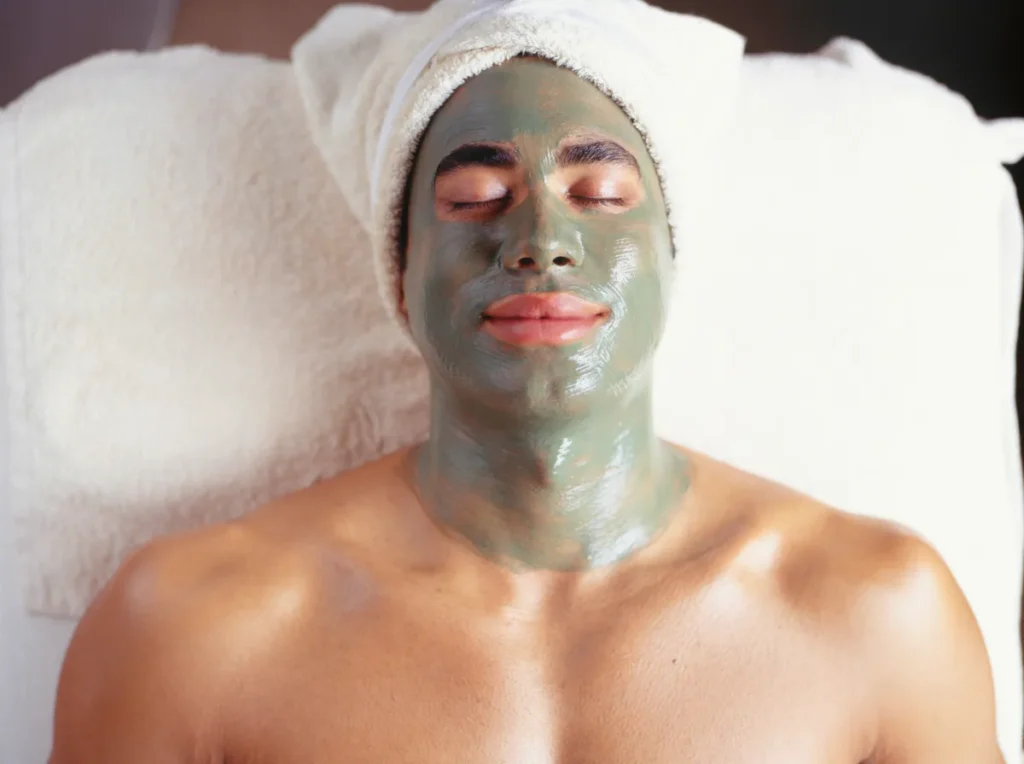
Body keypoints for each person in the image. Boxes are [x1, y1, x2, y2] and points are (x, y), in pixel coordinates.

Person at [49, 55, 1002, 764]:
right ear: (400, 269)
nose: (542, 239)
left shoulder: (880, 615)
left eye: (601, 193)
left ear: (673, 258)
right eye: (475, 197)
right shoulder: (193, 628)